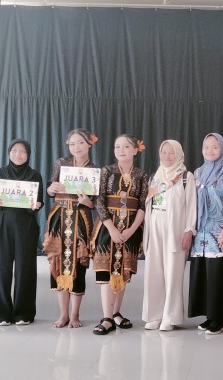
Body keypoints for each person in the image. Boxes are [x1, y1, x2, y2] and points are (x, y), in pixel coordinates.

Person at [91, 134, 149, 335]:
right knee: (106, 271)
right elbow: (99, 200)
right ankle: (107, 317)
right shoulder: (107, 171)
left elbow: (143, 205)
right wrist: (112, 228)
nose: (121, 150)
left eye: (126, 146)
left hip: (131, 227)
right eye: (117, 146)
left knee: (123, 270)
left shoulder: (141, 175)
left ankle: (116, 312)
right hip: (108, 227)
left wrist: (131, 230)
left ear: (135, 150)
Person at [187, 133, 223, 335]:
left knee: (218, 275)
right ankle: (209, 316)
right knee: (204, 275)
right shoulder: (198, 173)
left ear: (222, 149)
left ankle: (219, 319)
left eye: (215, 147)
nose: (210, 151)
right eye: (206, 147)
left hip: (219, 232)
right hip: (201, 234)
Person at [142, 140, 197, 331]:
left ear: (180, 154)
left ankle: (170, 316)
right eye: (163, 152)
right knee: (154, 271)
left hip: (175, 228)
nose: (167, 156)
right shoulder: (155, 177)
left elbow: (191, 205)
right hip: (155, 226)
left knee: (173, 272)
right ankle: (154, 315)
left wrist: (189, 230)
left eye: (171, 152)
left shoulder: (186, 177)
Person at [45, 129, 97, 328]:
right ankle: (63, 314)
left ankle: (75, 315)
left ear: (89, 144)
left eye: (81, 143)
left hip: (81, 218)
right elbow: (50, 189)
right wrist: (51, 189)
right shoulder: (61, 163)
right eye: (72, 143)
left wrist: (88, 202)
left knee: (78, 263)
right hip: (59, 217)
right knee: (58, 261)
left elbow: (96, 202)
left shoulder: (94, 170)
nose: (77, 147)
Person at [0, 139, 44, 326]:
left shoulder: (34, 175)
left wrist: (36, 205)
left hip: (26, 225)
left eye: (23, 151)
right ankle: (1, 313)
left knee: (25, 268)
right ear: (8, 152)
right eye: (14, 150)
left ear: (28, 154)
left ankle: (24, 313)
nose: (18, 154)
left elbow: (39, 201)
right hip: (3, 223)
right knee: (0, 267)